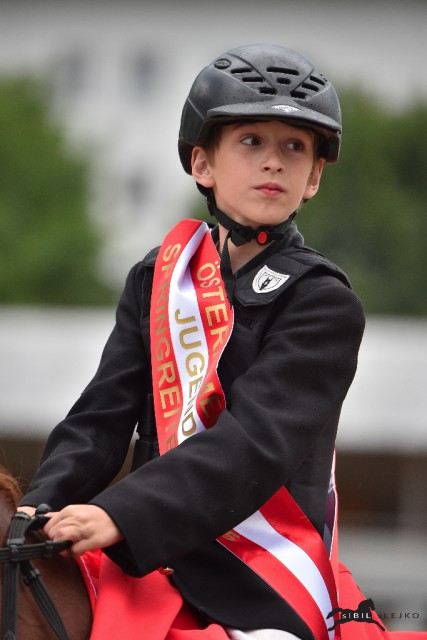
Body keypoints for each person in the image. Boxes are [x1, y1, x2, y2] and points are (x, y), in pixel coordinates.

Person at [19, 44, 366, 640]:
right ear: (202, 164)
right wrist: (40, 503)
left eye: (294, 147)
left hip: (259, 580)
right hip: (147, 558)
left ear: (313, 177)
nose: (274, 163)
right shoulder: (160, 278)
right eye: (251, 141)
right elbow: (103, 415)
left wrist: (119, 512)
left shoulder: (322, 301)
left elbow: (254, 443)